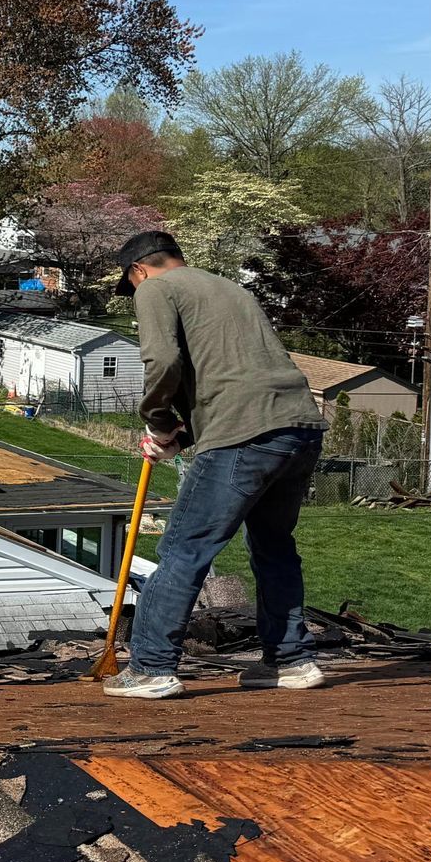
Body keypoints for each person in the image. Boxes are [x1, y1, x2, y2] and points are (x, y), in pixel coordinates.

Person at [104, 230, 327, 700]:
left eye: (132, 284)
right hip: (300, 427)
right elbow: (233, 375)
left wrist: (158, 424)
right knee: (274, 547)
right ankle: (290, 661)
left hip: (243, 434)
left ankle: (151, 667)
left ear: (139, 271)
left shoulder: (157, 289)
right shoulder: (230, 288)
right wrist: (182, 436)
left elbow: (162, 360)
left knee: (185, 549)